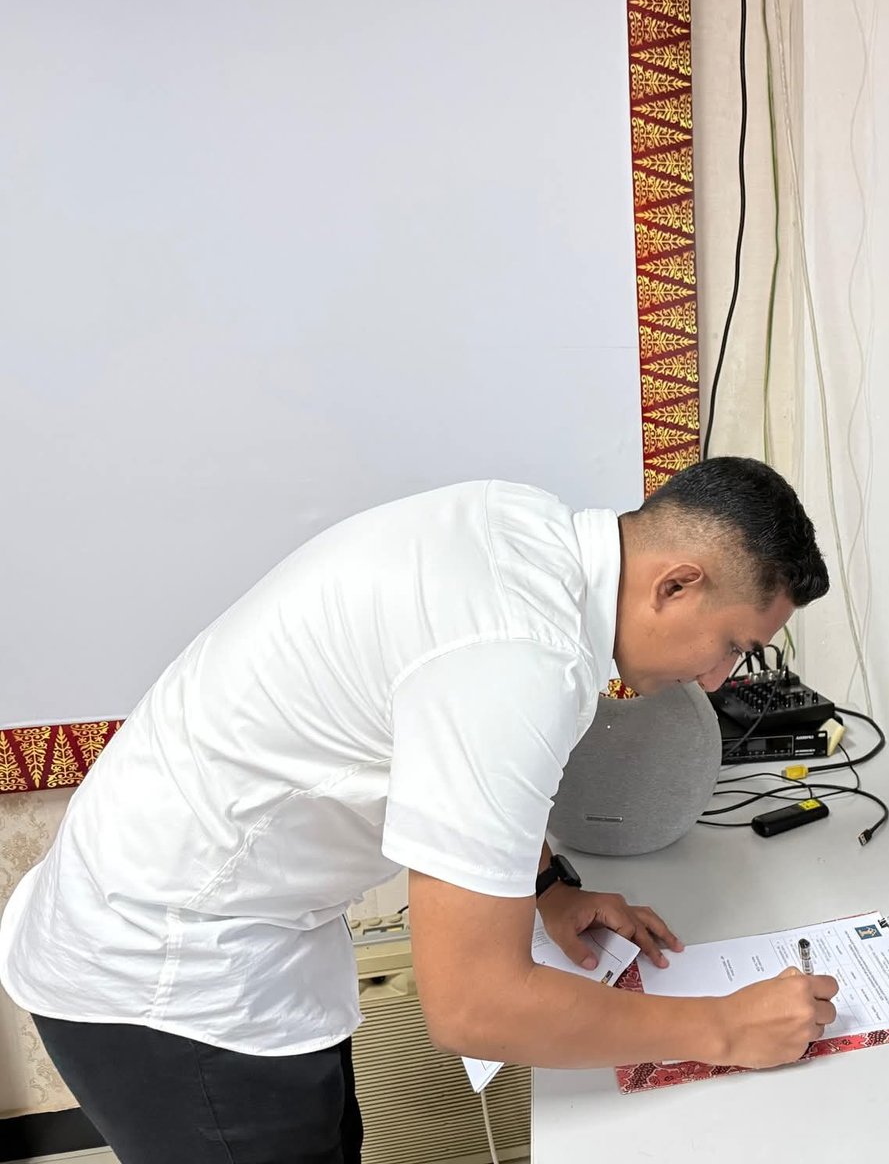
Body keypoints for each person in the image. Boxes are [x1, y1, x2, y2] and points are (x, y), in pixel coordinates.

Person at [0, 456, 841, 1163]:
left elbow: (453, 760)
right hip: (169, 983)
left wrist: (547, 888)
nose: (719, 679)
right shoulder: (521, 659)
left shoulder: (527, 532)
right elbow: (474, 1006)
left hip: (224, 929)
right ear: (677, 583)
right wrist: (725, 1027)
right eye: (733, 645)